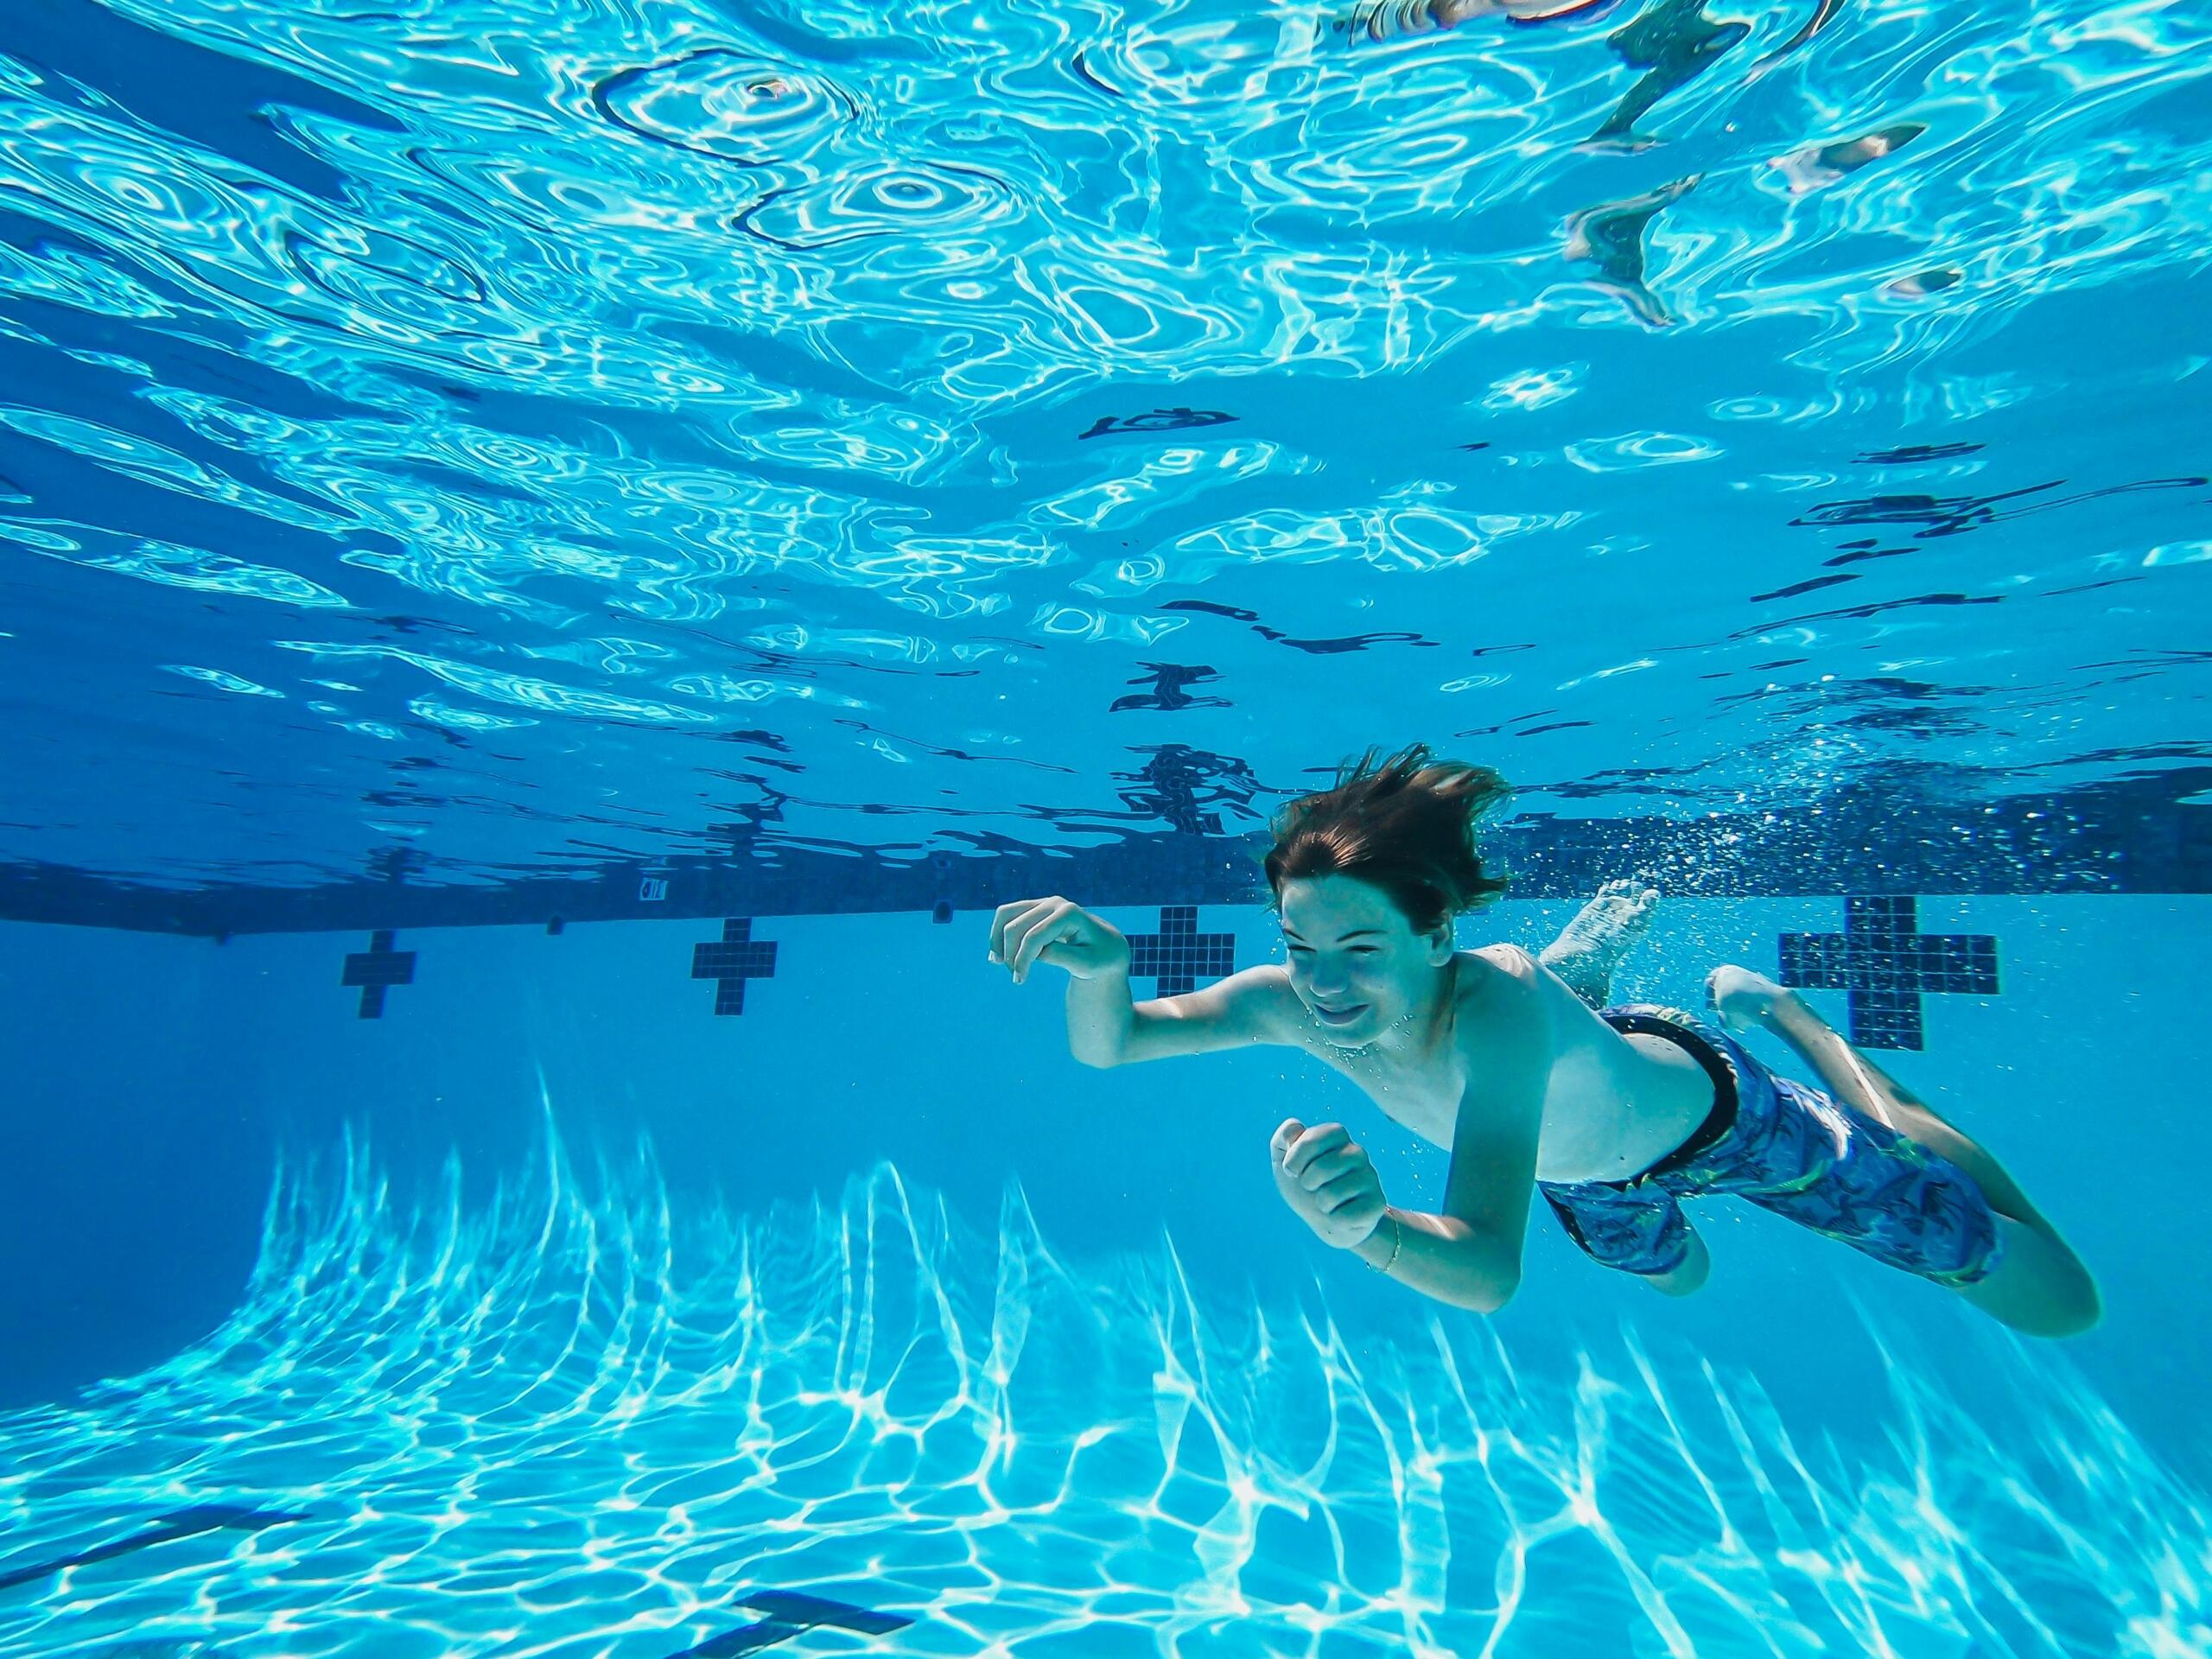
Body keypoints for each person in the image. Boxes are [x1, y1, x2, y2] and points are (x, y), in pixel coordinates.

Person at [987, 744, 2101, 1338]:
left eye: (1361, 951)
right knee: (1680, 1280)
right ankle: (1584, 975)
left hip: (1720, 1120)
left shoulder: (1494, 1015)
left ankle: (1784, 1016)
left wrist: (1367, 1230)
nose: (1321, 986)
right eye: (1300, 945)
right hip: (1579, 1164)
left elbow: (1485, 1270)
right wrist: (1104, 972)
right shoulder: (1291, 998)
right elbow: (1112, 1047)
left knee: (2055, 1303)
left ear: (1437, 932)